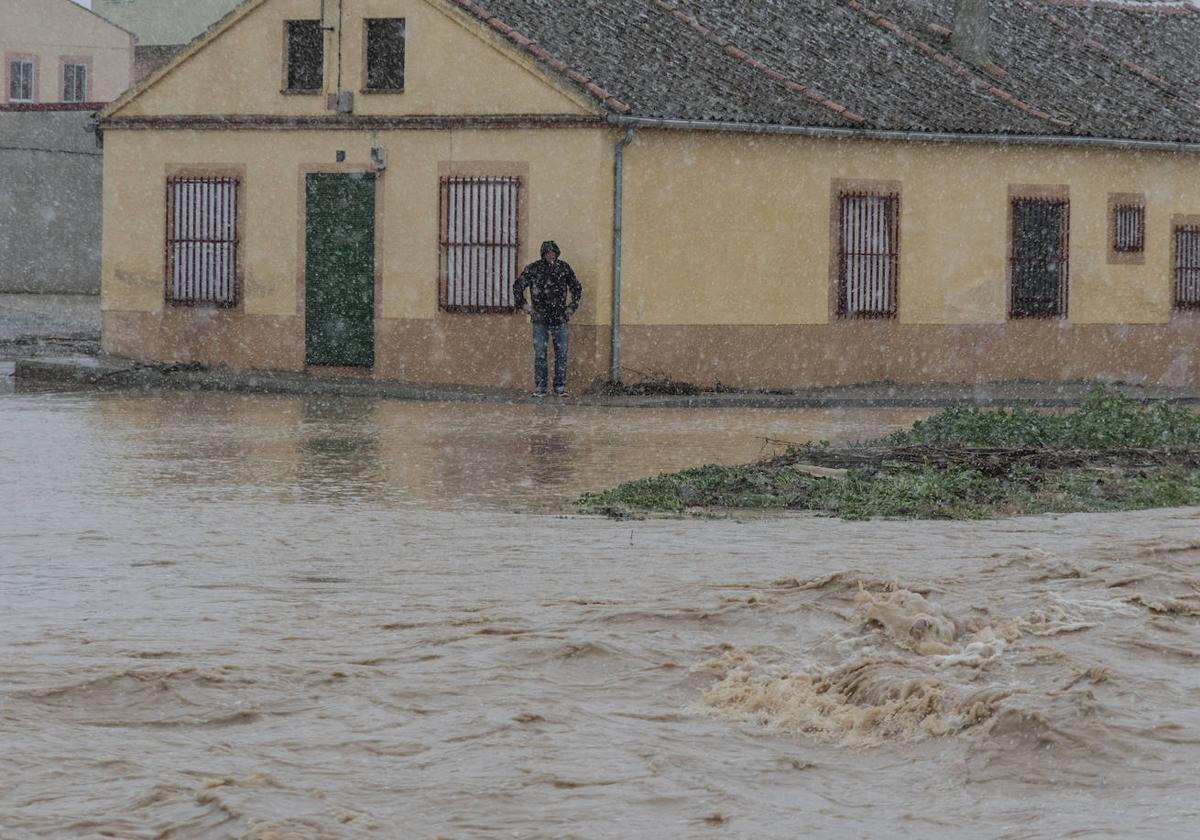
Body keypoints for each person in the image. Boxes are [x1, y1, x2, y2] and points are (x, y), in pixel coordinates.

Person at [513, 240, 581, 397]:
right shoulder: (534, 269)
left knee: (562, 354)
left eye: (553, 252)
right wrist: (524, 305)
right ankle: (540, 387)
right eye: (548, 253)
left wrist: (571, 307)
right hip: (540, 319)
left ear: (557, 253)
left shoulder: (563, 268)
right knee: (540, 354)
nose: (551, 255)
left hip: (560, 318)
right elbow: (518, 287)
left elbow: (576, 287)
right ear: (543, 254)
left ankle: (559, 387)